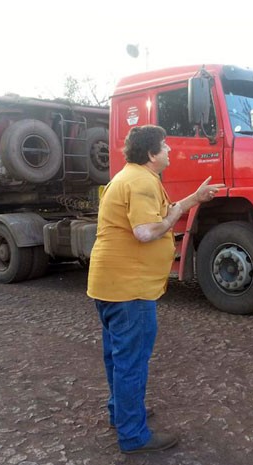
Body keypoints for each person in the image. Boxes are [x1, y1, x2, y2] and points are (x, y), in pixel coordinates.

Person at [87, 125, 224, 453]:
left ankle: (121, 413)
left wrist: (192, 199)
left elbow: (159, 213)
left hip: (110, 284)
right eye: (164, 146)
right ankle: (133, 435)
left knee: (117, 357)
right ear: (151, 154)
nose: (169, 151)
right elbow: (146, 231)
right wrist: (177, 213)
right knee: (131, 360)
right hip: (130, 289)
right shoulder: (142, 181)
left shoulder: (131, 177)